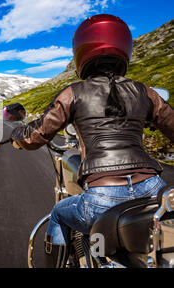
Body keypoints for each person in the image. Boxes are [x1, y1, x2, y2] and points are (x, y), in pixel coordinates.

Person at [9, 14, 174, 268]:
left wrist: (16, 136)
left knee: (59, 213)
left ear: (82, 50)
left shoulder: (73, 93)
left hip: (103, 195)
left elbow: (36, 135)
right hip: (153, 187)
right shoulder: (145, 92)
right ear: (123, 47)